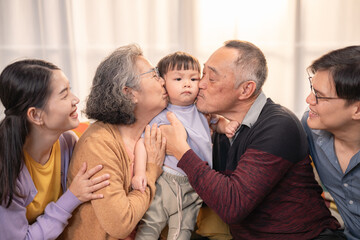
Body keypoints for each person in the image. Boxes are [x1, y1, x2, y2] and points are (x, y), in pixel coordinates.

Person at [159, 40, 344, 239]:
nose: (200, 84)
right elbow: (208, 191)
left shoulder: (278, 125)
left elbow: (232, 206)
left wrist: (181, 151)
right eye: (202, 74)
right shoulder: (221, 130)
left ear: (246, 90)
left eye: (211, 78)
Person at [60, 44, 167, 240]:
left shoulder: (153, 134)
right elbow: (120, 223)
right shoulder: (98, 143)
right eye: (154, 74)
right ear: (129, 92)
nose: (163, 81)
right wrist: (151, 171)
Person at [133, 51, 239, 240]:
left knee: (183, 231)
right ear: (163, 83)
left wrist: (225, 126)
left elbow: (215, 121)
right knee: (151, 225)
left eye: (194, 78)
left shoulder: (203, 109)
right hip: (166, 179)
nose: (187, 84)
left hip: (195, 184)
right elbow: (142, 142)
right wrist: (140, 172)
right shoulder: (161, 113)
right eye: (178, 78)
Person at [0, 59, 110, 240]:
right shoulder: (7, 168)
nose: (75, 99)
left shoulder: (68, 142)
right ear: (36, 115)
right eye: (64, 94)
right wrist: (71, 198)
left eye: (70, 89)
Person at [301, 46, 360, 240]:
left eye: (320, 95)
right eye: (312, 89)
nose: (309, 99)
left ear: (357, 110)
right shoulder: (311, 127)